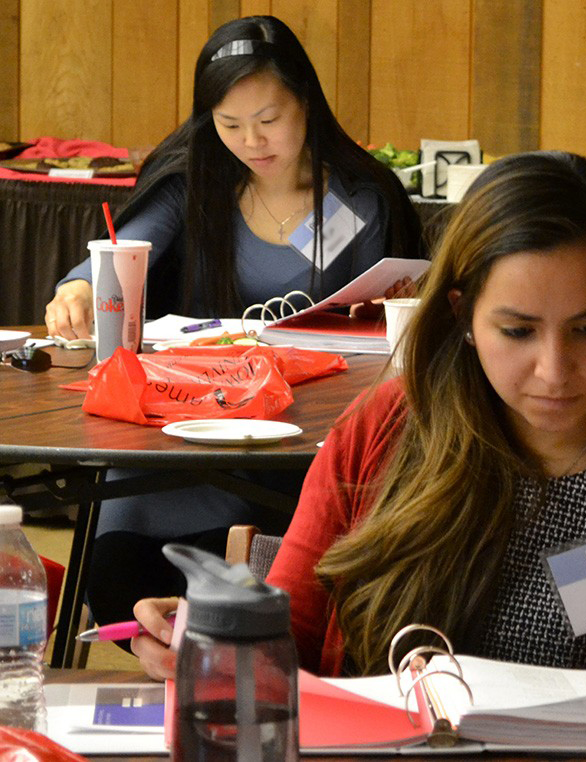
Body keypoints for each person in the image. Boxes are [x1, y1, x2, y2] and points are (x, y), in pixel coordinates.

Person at [132, 151, 586, 712]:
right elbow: (290, 640)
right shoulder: (385, 431)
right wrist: (210, 645)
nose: (555, 371)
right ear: (463, 315)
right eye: (518, 331)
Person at [44, 15, 424, 630]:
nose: (252, 141)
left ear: (307, 104)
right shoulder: (193, 185)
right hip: (183, 428)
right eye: (230, 124)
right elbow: (122, 253)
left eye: (269, 120)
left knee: (293, 591)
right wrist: (81, 289)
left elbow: (382, 318)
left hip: (301, 436)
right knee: (125, 579)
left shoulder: (357, 200)